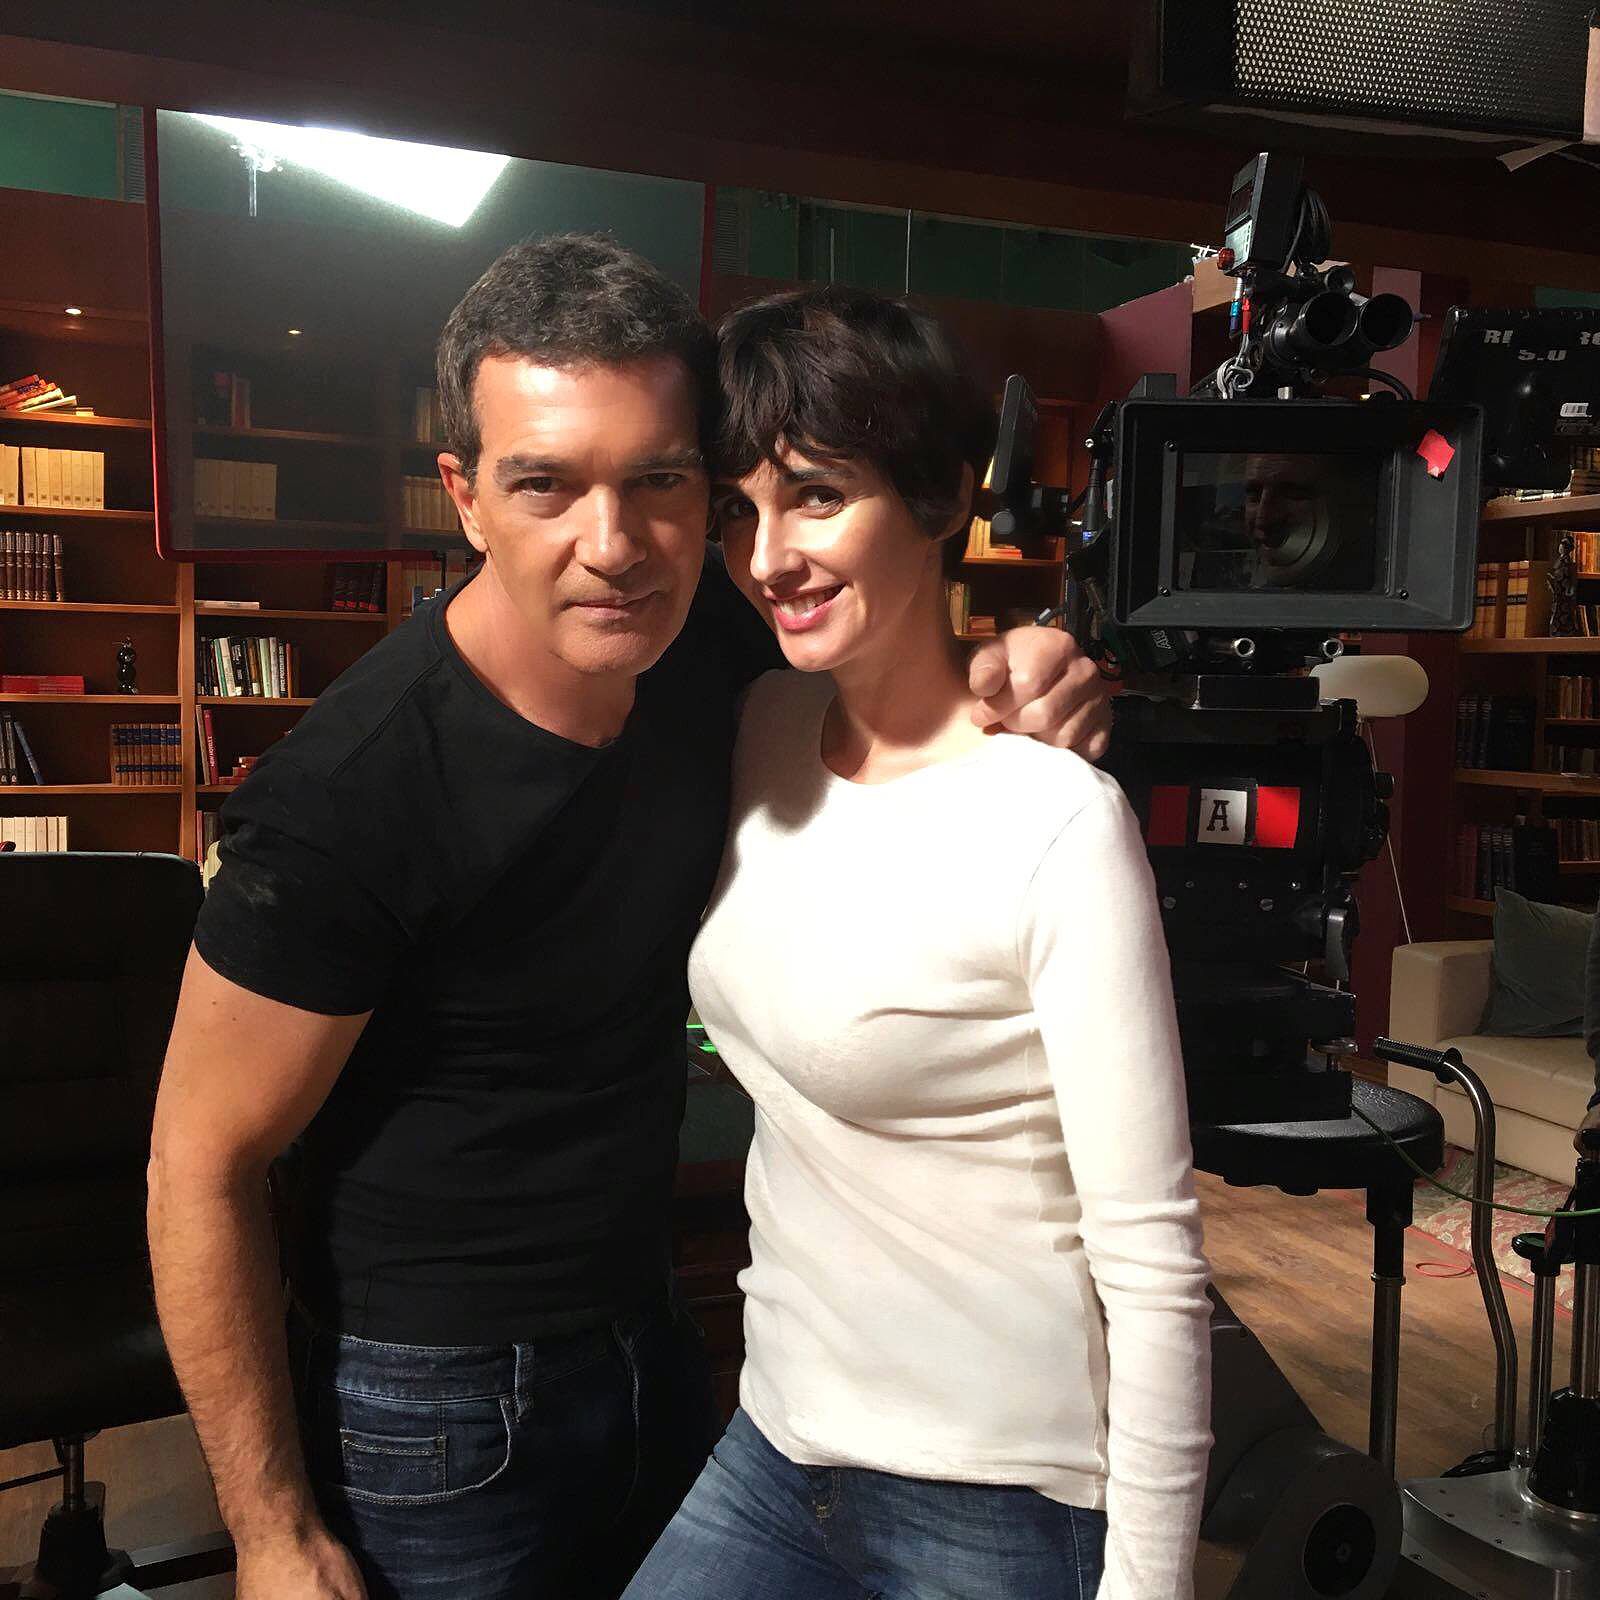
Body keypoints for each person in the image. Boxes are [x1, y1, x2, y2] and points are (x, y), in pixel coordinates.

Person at [146, 235, 1114, 1600]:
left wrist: (1022, 665)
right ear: (465, 496)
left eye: (659, 481)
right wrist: (266, 1531)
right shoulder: (348, 796)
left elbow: (900, 669)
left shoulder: (708, 642)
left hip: (661, 1329)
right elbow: (196, 1166)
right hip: (430, 1396)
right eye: (544, 483)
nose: (612, 546)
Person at [622, 287, 1212, 1600]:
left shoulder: (1054, 820)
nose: (768, 556)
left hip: (999, 1494)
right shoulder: (763, 726)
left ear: (943, 497)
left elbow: (1156, 1265)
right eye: (740, 512)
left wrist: (1151, 1587)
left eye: (818, 496)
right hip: (779, 1442)